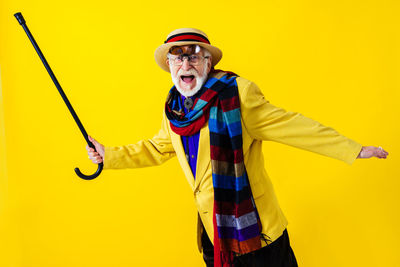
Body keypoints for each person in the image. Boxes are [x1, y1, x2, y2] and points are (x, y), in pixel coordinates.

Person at [85, 28, 389, 267]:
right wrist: (107, 155)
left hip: (254, 230)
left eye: (194, 56)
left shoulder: (237, 96)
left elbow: (292, 126)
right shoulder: (175, 108)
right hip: (214, 232)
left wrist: (353, 149)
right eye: (177, 58)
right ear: (169, 66)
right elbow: (157, 147)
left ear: (208, 62)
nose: (185, 64)